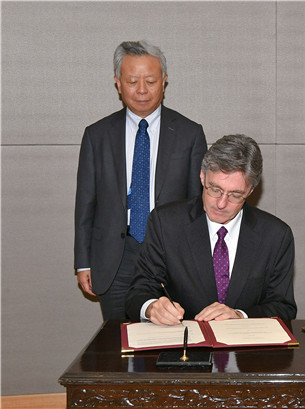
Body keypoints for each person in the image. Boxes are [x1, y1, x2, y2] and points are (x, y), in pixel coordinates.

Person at [74, 40, 207, 320]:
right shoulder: (97, 135)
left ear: (164, 81)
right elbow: (86, 204)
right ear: (118, 83)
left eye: (151, 81)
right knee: (118, 338)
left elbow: (198, 205)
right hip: (115, 258)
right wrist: (83, 262)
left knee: (170, 335)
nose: (142, 90)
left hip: (171, 256)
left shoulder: (190, 133)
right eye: (132, 81)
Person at [125, 134, 297, 325]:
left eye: (235, 195)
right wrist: (152, 308)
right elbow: (139, 292)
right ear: (202, 176)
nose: (221, 203)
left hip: (245, 342)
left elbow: (283, 308)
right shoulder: (166, 223)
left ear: (250, 191)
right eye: (215, 189)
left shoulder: (275, 235)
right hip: (183, 339)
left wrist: (240, 315)